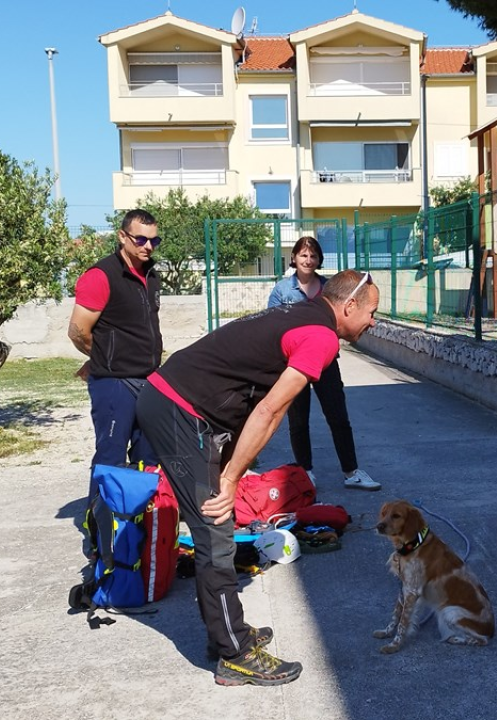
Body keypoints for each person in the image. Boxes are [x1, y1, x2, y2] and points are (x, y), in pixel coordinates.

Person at [135, 269, 379, 687]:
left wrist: (232, 463)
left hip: (181, 405)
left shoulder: (305, 314)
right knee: (215, 526)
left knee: (219, 523)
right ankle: (233, 654)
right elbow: (269, 411)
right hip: (176, 410)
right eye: (372, 312)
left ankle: (229, 633)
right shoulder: (320, 336)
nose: (374, 321)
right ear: (349, 305)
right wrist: (230, 478)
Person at [267, 236, 379, 491]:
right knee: (298, 419)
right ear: (294, 258)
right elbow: (274, 325)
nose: (308, 260)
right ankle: (304, 472)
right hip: (293, 363)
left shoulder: (330, 288)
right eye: (303, 255)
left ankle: (352, 471)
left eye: (313, 255)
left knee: (338, 416)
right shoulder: (282, 291)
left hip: (326, 360)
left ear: (319, 259)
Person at [68, 209, 163, 496]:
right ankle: (102, 533)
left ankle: (142, 529)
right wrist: (102, 358)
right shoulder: (100, 276)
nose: (148, 246)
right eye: (140, 240)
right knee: (111, 457)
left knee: (149, 457)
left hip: (149, 381)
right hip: (114, 383)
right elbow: (78, 331)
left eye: (154, 241)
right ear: (122, 237)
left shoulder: (151, 274)